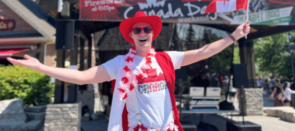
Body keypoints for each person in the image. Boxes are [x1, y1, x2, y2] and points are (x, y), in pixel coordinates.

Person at [7, 11, 250, 131]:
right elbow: (82, 76)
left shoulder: (167, 59)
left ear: (152, 33)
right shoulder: (120, 64)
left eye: (146, 29)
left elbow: (203, 52)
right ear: (131, 36)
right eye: (138, 30)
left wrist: (233, 36)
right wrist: (42, 67)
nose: (143, 33)